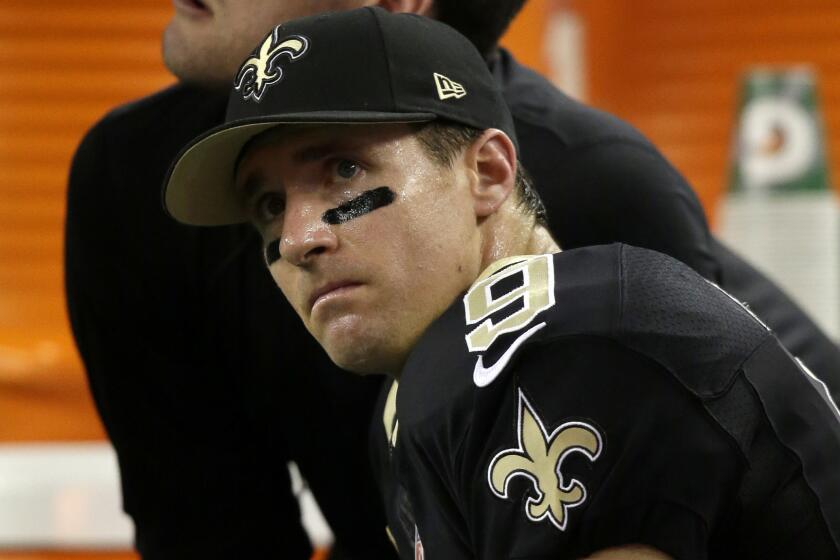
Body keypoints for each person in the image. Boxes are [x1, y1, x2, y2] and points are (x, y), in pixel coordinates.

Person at [65, 0, 840, 557]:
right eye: (267, 206)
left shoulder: (585, 334)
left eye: (343, 170)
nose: (298, 238)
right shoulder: (422, 385)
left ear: (491, 172)